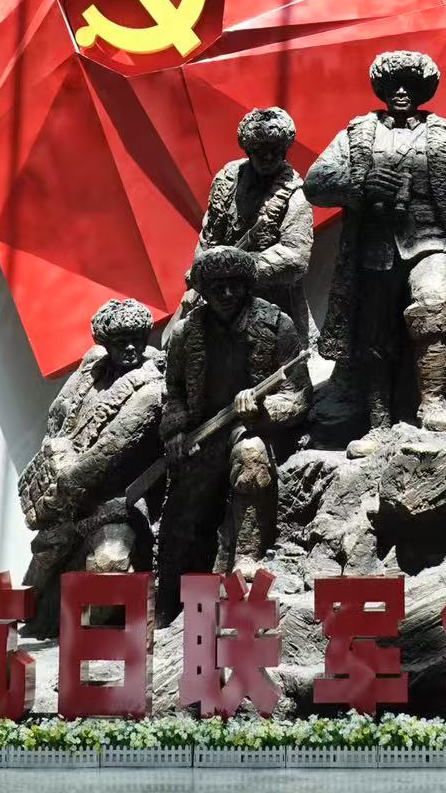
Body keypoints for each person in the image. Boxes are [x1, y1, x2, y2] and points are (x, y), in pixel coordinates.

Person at [305, 50, 446, 455]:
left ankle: (434, 404)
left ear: (425, 89)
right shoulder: (356, 133)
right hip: (375, 246)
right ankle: (378, 424)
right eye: (393, 84)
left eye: (410, 84)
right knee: (374, 330)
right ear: (382, 88)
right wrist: (361, 182)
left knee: (434, 301)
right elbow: (316, 183)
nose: (402, 91)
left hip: (433, 240)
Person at [154, 246, 309, 624]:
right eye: (216, 286)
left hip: (255, 429)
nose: (226, 294)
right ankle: (171, 603)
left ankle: (248, 557)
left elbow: (299, 396)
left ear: (247, 284)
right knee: (183, 513)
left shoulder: (277, 325)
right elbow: (174, 393)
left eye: (233, 284)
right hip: (204, 434)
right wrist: (175, 430)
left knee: (251, 456)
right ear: (203, 290)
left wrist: (262, 411)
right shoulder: (186, 333)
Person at [16, 298, 164, 637]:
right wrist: (54, 456)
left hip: (120, 501)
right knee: (46, 554)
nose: (130, 348)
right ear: (105, 343)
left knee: (109, 563)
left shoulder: (151, 389)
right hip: (69, 494)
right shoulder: (93, 366)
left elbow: (110, 449)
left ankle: (93, 640)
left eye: (137, 339)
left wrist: (62, 486)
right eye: (120, 341)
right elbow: (58, 415)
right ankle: (31, 617)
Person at [181, 106, 314, 340]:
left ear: (285, 150)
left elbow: (295, 257)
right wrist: (201, 276)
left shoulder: (295, 194)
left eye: (275, 150)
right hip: (222, 303)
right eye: (260, 150)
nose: (268, 157)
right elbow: (209, 235)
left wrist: (237, 268)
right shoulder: (228, 179)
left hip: (274, 306)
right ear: (248, 150)